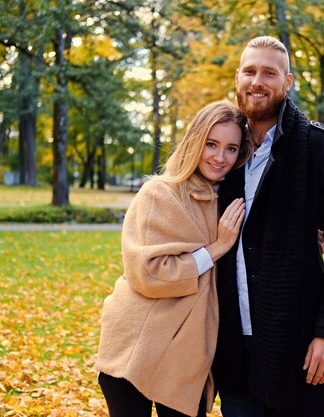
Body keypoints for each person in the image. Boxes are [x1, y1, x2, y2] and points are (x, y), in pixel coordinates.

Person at [212, 36, 324, 417]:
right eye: (249, 71)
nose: (257, 81)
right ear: (237, 78)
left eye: (269, 72)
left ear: (288, 81)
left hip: (299, 344)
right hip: (233, 348)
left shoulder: (319, 148)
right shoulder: (220, 153)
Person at [95, 100, 251, 417]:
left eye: (231, 148)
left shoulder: (230, 201)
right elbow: (149, 273)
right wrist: (217, 248)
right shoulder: (160, 194)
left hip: (187, 359)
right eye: (212, 144)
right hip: (135, 350)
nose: (220, 157)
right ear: (195, 141)